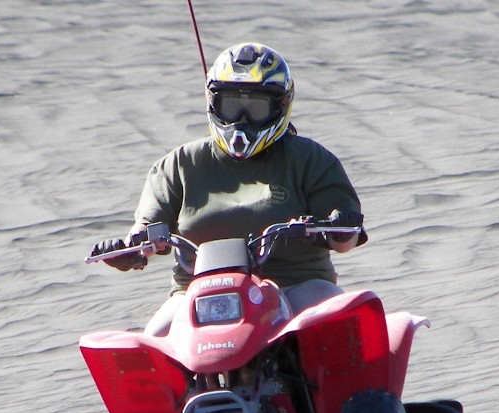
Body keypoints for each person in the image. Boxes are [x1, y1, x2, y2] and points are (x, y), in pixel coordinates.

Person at [92, 42, 367, 336]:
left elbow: (344, 242)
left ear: (281, 106)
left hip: (297, 287)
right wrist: (129, 251)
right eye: (232, 106)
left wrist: (341, 227)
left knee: (342, 327)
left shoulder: (311, 159)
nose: (242, 121)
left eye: (255, 108)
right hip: (198, 295)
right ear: (213, 103)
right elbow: (145, 229)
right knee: (154, 343)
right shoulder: (178, 165)